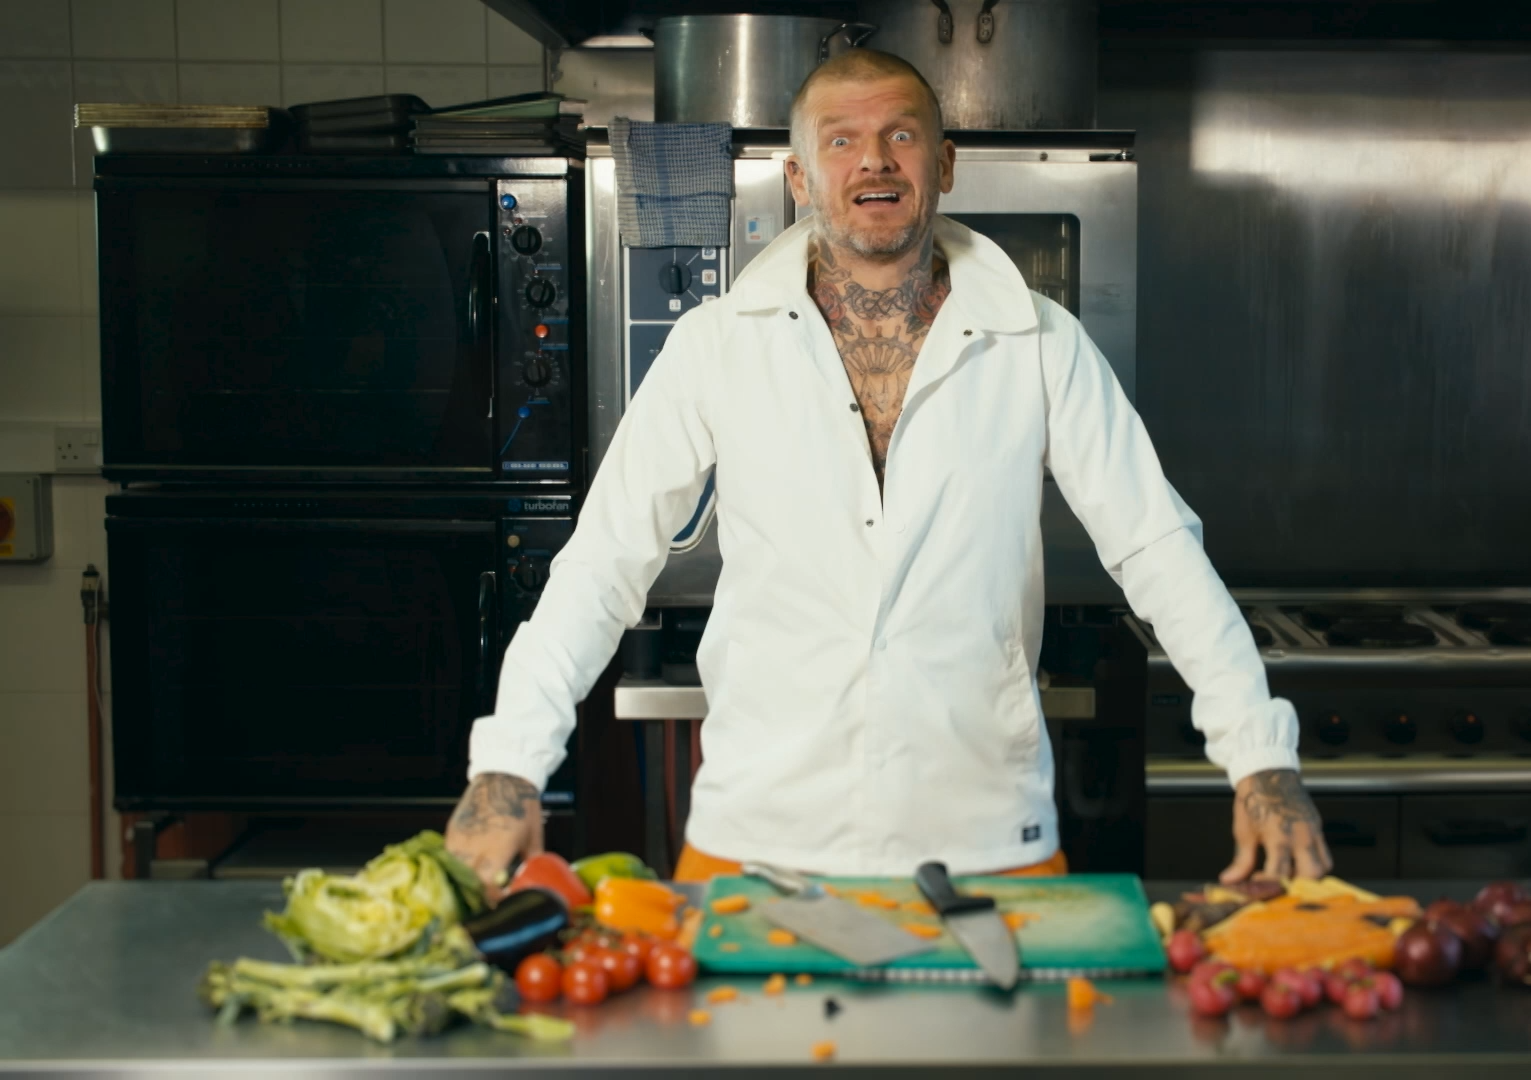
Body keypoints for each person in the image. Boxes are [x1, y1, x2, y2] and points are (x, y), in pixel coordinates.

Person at [446, 49, 1331, 891]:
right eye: (842, 140)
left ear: (943, 164)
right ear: (800, 178)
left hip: (986, 833)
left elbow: (1156, 547)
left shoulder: (1041, 342)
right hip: (758, 834)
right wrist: (509, 764)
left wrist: (1259, 756)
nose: (874, 160)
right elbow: (604, 561)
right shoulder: (715, 346)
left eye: (900, 134)